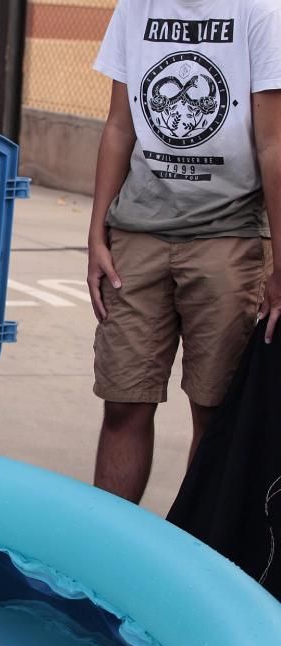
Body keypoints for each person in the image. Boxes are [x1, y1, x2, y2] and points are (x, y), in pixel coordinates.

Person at [87, 0, 281, 503]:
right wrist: (97, 234)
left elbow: (273, 145)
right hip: (137, 233)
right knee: (123, 404)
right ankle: (106, 555)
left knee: (213, 413)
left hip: (230, 237)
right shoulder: (135, 9)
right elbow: (118, 126)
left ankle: (196, 556)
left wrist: (280, 260)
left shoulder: (259, 12)